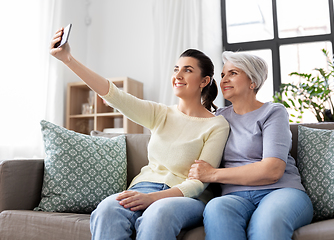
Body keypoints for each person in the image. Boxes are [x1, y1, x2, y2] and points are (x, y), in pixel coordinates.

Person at [50, 27, 229, 240]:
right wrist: (67, 58)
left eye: (187, 70)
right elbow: (113, 94)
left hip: (185, 197)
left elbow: (199, 182)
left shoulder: (217, 126)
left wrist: (153, 198)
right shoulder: (160, 113)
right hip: (142, 186)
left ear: (204, 81)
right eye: (175, 69)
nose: (177, 76)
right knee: (107, 209)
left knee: (158, 214)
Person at [188, 51, 313, 240]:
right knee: (215, 208)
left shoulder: (273, 112)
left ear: (252, 82)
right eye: (222, 75)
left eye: (233, 73)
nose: (224, 80)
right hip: (234, 197)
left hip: (280, 191)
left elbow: (272, 170)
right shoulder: (218, 118)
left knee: (267, 224)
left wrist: (212, 174)